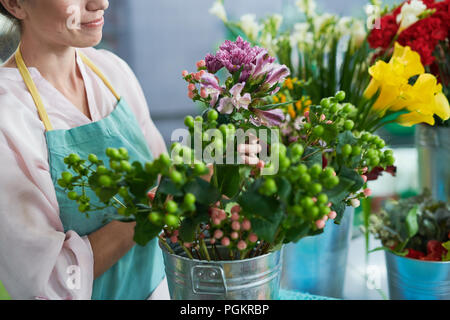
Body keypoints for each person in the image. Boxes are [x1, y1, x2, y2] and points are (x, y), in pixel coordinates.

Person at [0, 0, 259, 300]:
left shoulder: (112, 72)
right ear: (15, 4)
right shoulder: (8, 115)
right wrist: (164, 203)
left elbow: (165, 193)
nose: (100, 3)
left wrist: (214, 182)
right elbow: (48, 281)